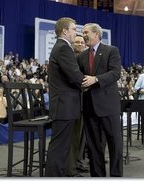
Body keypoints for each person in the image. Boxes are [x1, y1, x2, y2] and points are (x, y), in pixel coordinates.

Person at [77, 23, 123, 177]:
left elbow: (116, 73)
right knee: (94, 146)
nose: (83, 35)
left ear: (96, 34)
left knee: (115, 143)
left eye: (86, 32)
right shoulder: (81, 56)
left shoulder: (111, 50)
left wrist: (95, 79)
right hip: (89, 107)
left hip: (108, 106)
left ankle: (116, 176)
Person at [45, 17, 85, 177]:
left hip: (63, 105)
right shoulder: (63, 48)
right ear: (65, 31)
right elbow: (75, 76)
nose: (77, 32)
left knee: (61, 146)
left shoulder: (61, 47)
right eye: (74, 29)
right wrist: (94, 82)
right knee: (59, 148)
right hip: (64, 105)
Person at [65, 34, 89, 177]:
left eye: (82, 42)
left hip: (84, 102)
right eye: (77, 42)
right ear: (73, 44)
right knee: (74, 136)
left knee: (82, 136)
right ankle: (72, 167)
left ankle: (78, 162)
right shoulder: (69, 58)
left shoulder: (85, 59)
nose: (80, 44)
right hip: (72, 103)